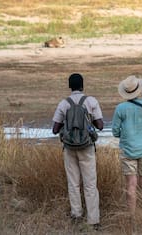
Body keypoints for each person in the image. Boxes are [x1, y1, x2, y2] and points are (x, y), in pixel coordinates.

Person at [52, 73, 103, 230]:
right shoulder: (91, 101)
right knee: (90, 184)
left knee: (73, 183)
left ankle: (76, 215)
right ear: (82, 85)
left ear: (70, 86)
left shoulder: (63, 103)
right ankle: (93, 220)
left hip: (69, 148)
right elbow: (100, 125)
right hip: (87, 147)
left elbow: (55, 129)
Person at [112, 75, 142, 216]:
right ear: (138, 90)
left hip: (128, 149)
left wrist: (124, 136)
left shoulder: (120, 108)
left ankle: (132, 217)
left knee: (131, 184)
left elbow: (115, 131)